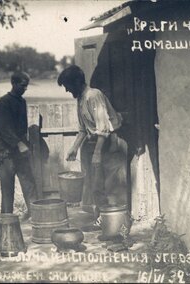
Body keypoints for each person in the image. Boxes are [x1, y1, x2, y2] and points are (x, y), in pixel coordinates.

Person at [57, 65, 131, 229]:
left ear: (77, 82)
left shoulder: (93, 95)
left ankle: (118, 226)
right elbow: (84, 129)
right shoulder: (81, 99)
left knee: (111, 186)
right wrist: (74, 147)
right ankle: (103, 221)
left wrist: (97, 153)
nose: (67, 90)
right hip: (96, 142)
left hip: (109, 143)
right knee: (96, 185)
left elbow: (103, 128)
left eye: (68, 86)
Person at [0, 71, 37, 221]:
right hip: (6, 152)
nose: (25, 88)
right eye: (22, 85)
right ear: (13, 83)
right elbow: (4, 128)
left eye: (26, 86)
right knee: (7, 189)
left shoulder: (22, 102)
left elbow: (21, 128)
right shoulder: (4, 102)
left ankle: (35, 215)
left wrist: (25, 144)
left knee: (29, 183)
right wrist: (19, 143)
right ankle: (6, 221)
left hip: (20, 151)